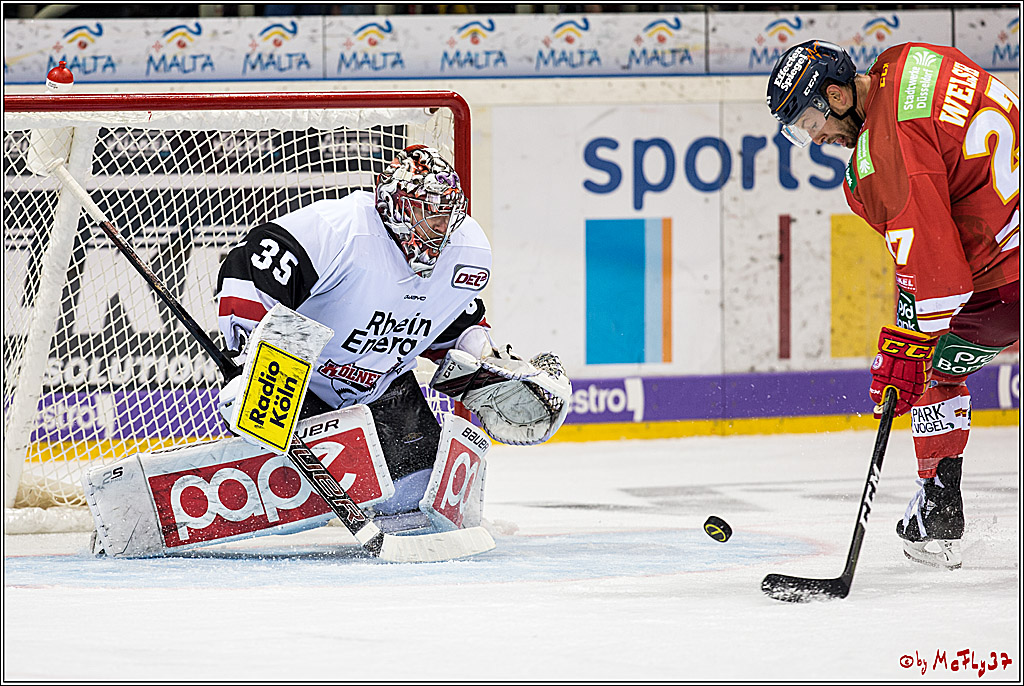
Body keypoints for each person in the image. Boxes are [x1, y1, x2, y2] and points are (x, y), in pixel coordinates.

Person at [215, 144, 570, 533]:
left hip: (382, 388)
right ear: (395, 203)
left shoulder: (466, 251)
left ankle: (351, 494)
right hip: (296, 384)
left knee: (422, 504)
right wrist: (250, 369)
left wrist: (486, 362)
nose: (441, 226)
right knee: (290, 476)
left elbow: (450, 323)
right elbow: (246, 272)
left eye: (448, 214)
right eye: (429, 212)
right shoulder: (339, 229)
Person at [766, 41, 1019, 569]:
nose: (815, 140)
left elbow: (939, 283)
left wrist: (907, 349)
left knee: (925, 367)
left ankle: (939, 510)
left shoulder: (880, 156)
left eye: (809, 122)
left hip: (1005, 286)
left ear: (836, 96)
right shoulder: (908, 60)